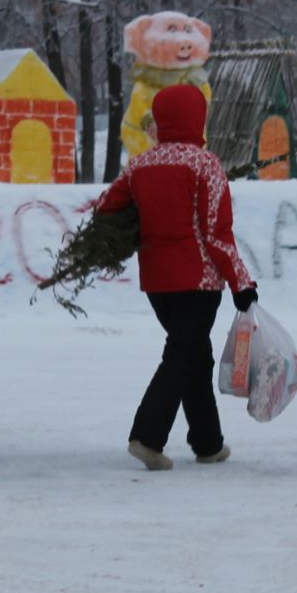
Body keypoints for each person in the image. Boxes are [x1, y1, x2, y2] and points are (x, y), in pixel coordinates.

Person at [95, 83, 258, 471]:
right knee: (183, 355)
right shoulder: (206, 165)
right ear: (198, 118)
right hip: (198, 282)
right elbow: (217, 234)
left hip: (157, 282)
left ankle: (208, 442)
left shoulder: (140, 165)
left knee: (195, 357)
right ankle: (147, 437)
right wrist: (241, 283)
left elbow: (105, 208)